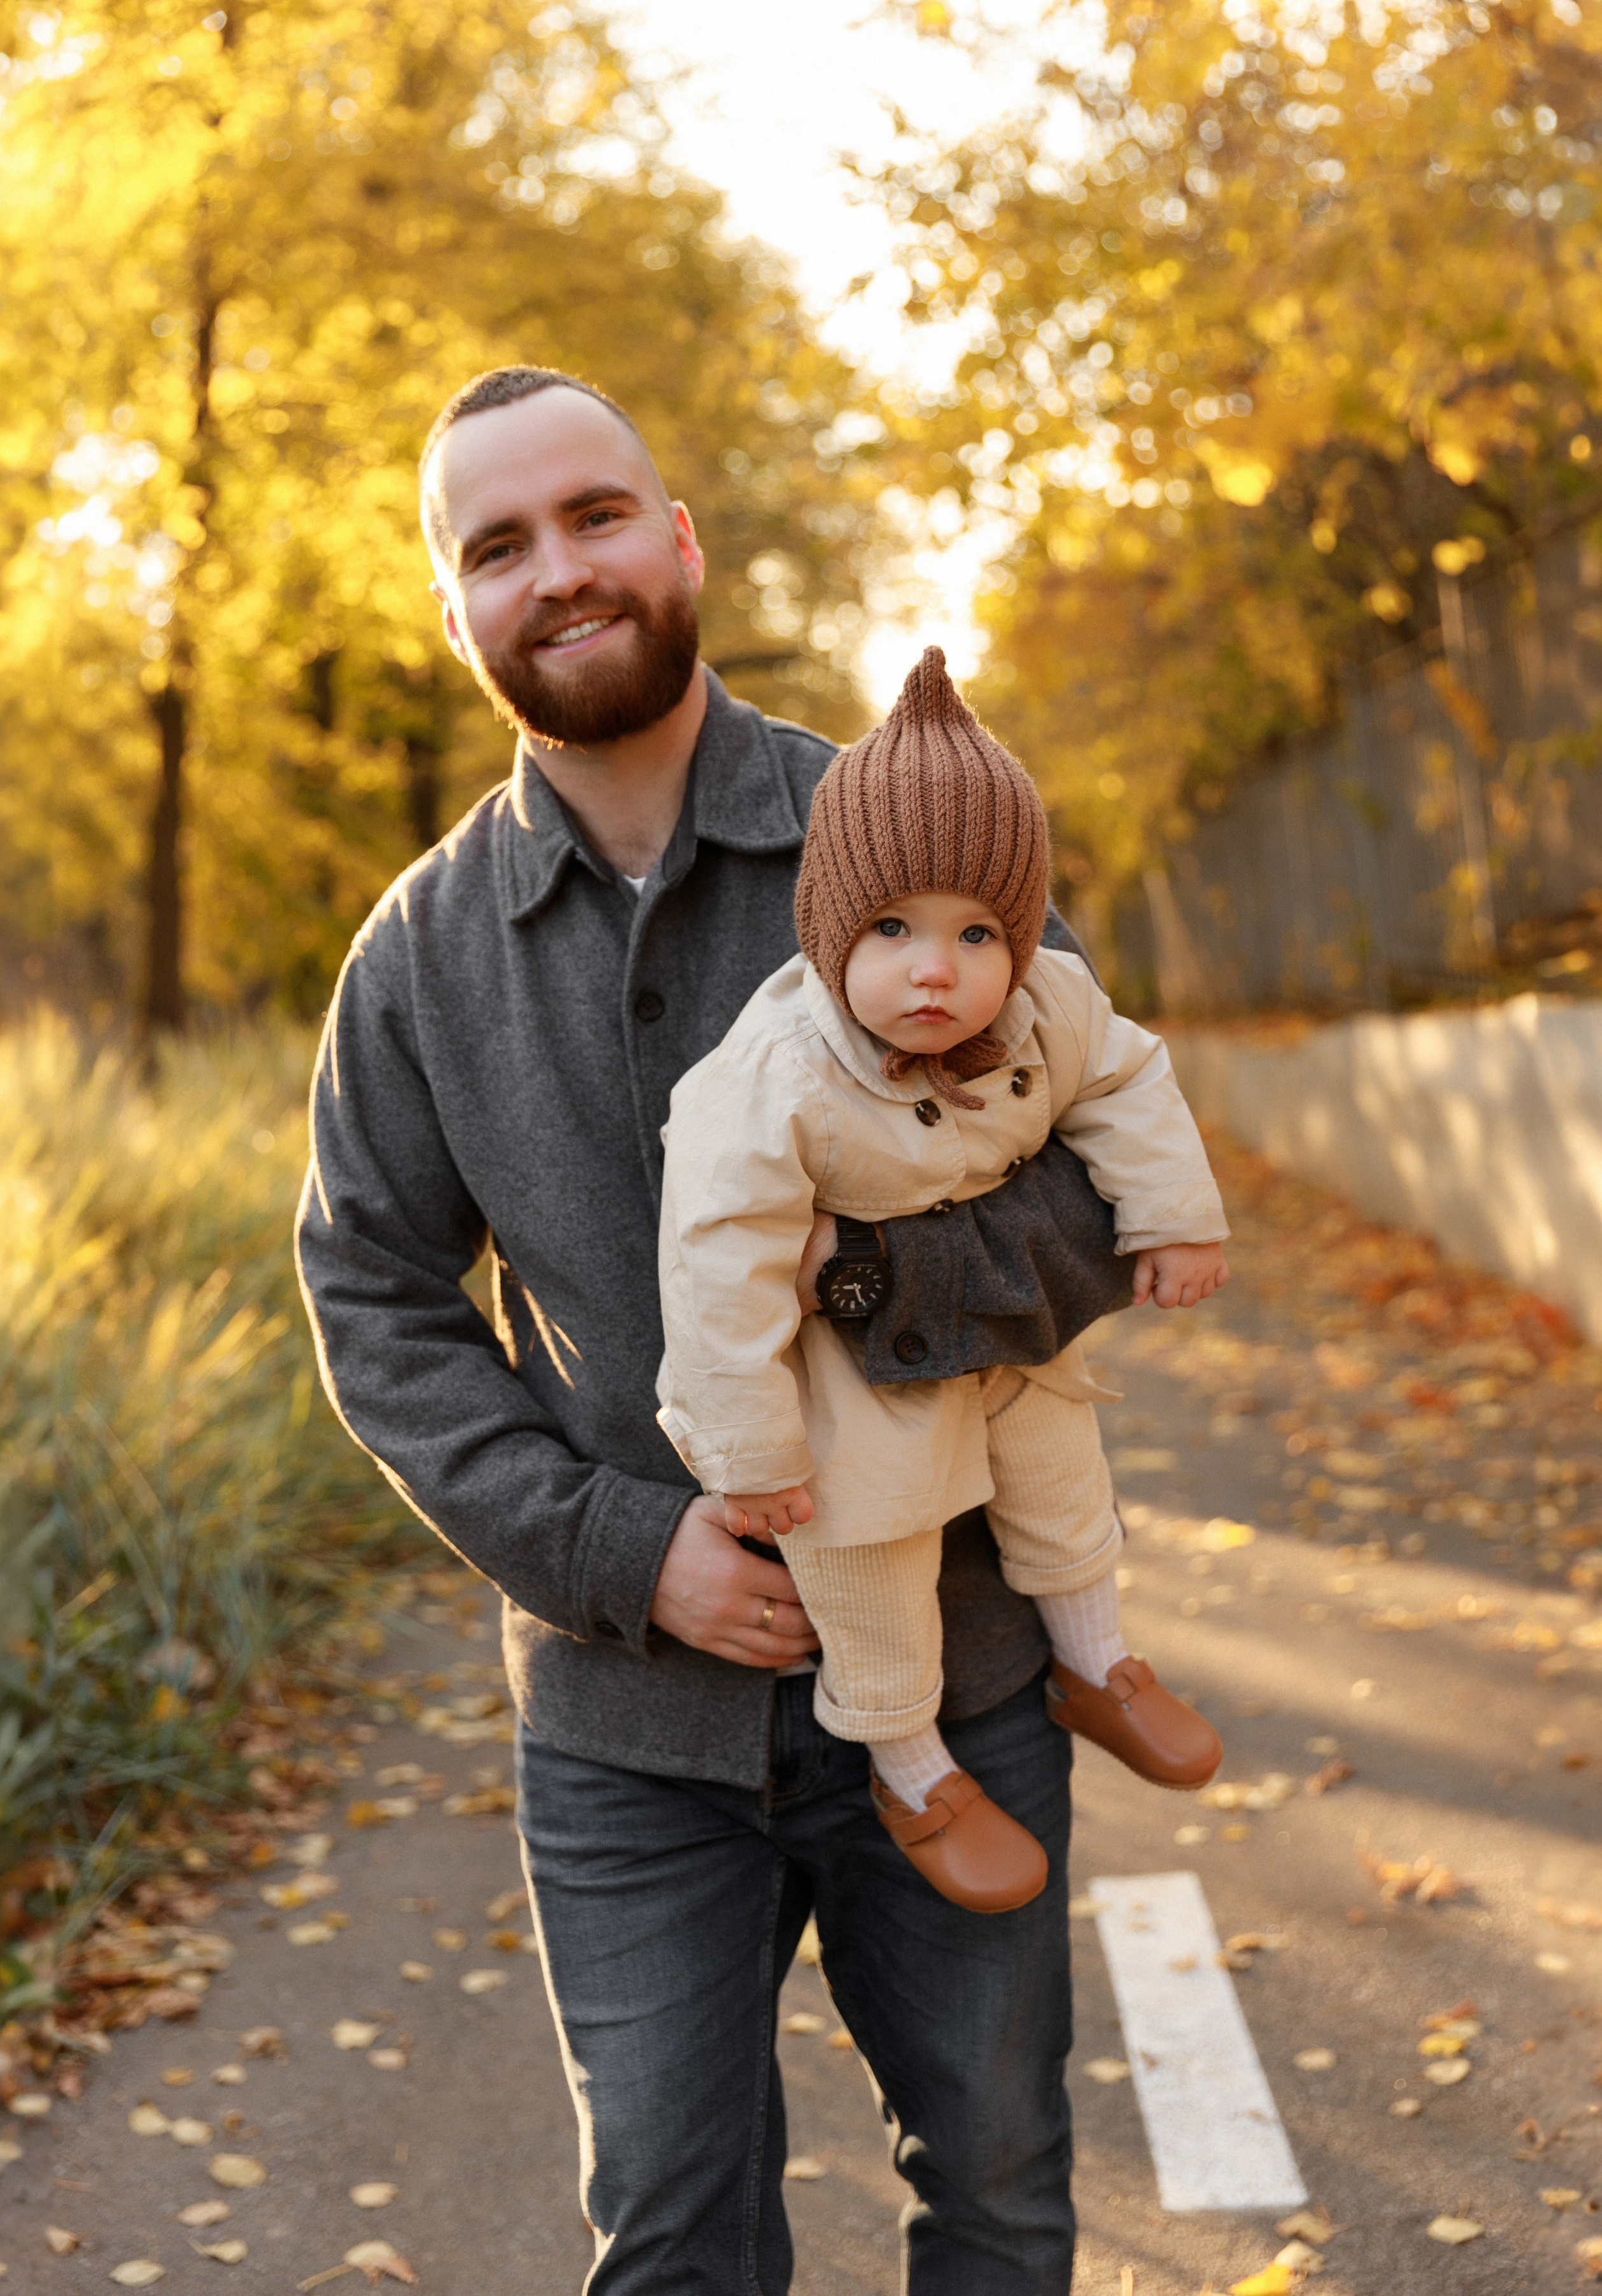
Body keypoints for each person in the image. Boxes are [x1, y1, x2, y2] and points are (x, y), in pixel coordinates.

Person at [294, 362, 1181, 2294]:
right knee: (676, 2238)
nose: (561, 570)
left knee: (1004, 2200)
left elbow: (1096, 1152)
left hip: (959, 1665)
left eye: (596, 514)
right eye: (498, 545)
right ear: (455, 610)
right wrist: (630, 1550)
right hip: (625, 1729)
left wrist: (868, 1308)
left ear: (680, 540)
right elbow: (375, 1297)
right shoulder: (422, 954)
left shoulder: (915, 832)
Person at [656, 648, 1227, 1914]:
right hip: (857, 1378)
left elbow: (1127, 1077)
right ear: (828, 927)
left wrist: (1169, 1214)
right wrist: (747, 1451)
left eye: (977, 932)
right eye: (893, 928)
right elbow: (717, 1263)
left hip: (1006, 1333)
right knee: (872, 1551)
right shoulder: (772, 1075)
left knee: (1062, 1470)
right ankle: (911, 1769)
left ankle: (1097, 1663)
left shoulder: (1045, 1008)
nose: (936, 968)